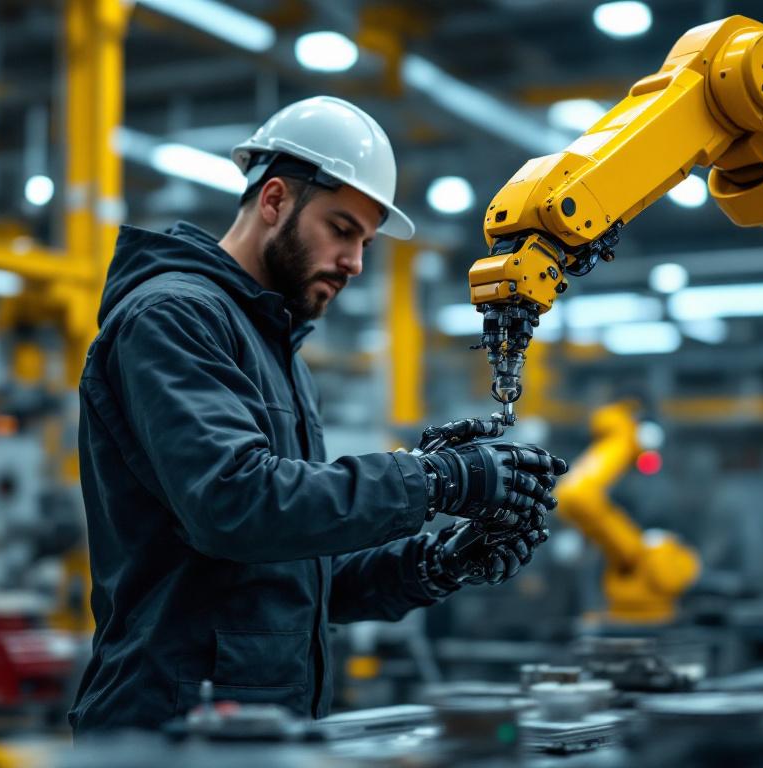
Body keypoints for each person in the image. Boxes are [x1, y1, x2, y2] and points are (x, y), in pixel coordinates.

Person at [68, 96, 566, 733]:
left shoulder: (281, 355)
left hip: (260, 725)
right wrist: (439, 479)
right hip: (168, 725)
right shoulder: (174, 317)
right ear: (274, 200)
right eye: (342, 228)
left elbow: (301, 576)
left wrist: (438, 561)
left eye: (364, 240)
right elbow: (236, 504)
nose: (356, 263)